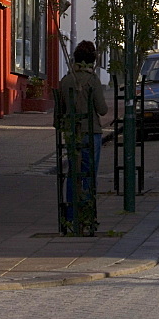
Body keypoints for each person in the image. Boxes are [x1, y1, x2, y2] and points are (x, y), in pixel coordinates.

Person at [58, 40, 108, 208]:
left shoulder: (65, 81)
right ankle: (86, 209)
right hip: (91, 131)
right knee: (88, 172)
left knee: (74, 171)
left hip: (72, 132)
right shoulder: (92, 80)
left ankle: (72, 211)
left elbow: (59, 113)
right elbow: (102, 109)